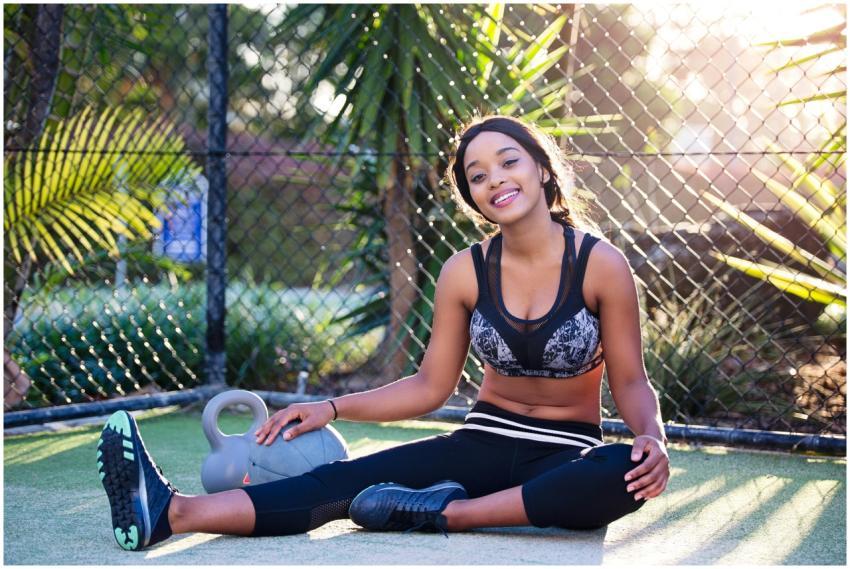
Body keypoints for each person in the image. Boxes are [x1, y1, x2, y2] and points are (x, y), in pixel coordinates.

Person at [97, 114, 670, 551]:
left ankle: (444, 513)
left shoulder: (601, 264)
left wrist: (652, 439)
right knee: (339, 481)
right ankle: (170, 513)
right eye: (478, 176)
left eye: (508, 162)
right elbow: (429, 387)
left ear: (540, 168)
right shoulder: (464, 272)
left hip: (565, 453)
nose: (496, 180)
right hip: (481, 443)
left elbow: (630, 379)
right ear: (471, 196)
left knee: (619, 475)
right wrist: (331, 407)